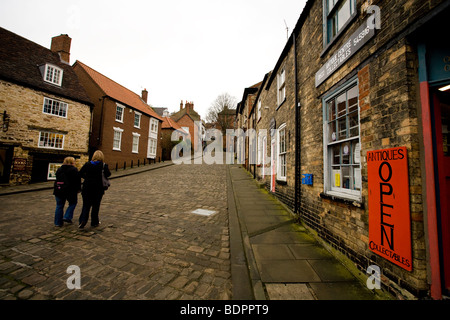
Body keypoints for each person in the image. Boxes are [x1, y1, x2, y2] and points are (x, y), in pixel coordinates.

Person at [78, 150, 111, 229]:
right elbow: (108, 174)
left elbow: (80, 173)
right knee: (96, 206)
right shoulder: (103, 165)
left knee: (86, 205)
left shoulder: (88, 164)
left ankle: (83, 220)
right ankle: (94, 222)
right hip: (98, 189)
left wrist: (87, 177)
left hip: (87, 188)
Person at [53, 157, 81, 227]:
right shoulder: (74, 169)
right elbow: (77, 181)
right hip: (70, 190)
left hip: (59, 189)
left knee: (59, 206)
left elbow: (57, 178)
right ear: (72, 162)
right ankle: (67, 216)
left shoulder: (60, 169)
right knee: (73, 203)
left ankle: (57, 223)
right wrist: (78, 189)